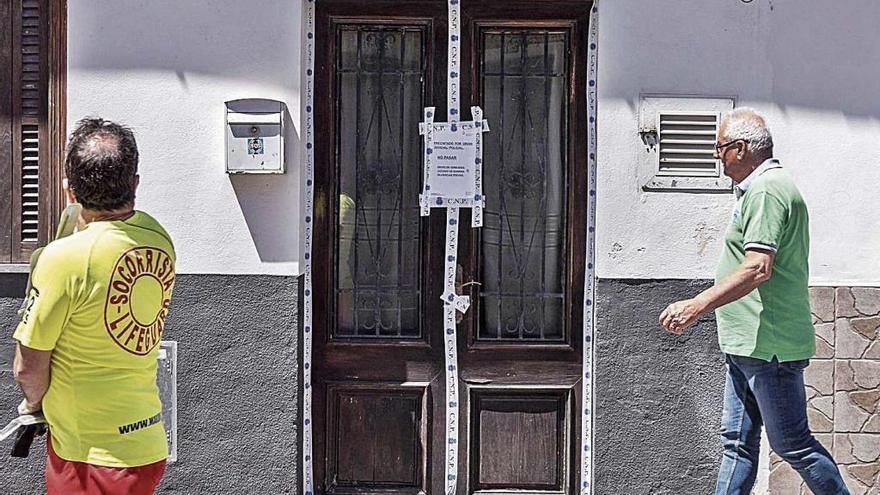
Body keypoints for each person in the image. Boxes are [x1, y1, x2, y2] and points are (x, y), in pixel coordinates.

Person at [658, 108, 850, 494]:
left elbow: (758, 267)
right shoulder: (763, 189)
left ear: (741, 148)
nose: (717, 156)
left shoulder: (767, 191)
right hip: (749, 344)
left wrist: (698, 305)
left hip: (769, 347)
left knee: (793, 444)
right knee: (737, 446)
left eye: (720, 147)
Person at [13, 118, 175, 495]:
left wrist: (33, 404)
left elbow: (28, 367)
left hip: (92, 452)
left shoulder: (63, 259)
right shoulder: (158, 238)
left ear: (69, 191)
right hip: (145, 441)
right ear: (135, 183)